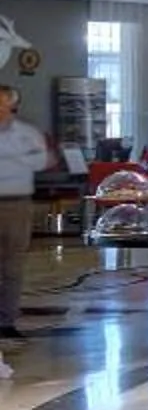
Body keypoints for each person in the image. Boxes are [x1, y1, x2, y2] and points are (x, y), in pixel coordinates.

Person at [0, 83, 54, 343]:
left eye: (3, 104)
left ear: (12, 106)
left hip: (16, 205)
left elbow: (41, 161)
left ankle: (6, 321)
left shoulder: (27, 134)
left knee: (12, 266)